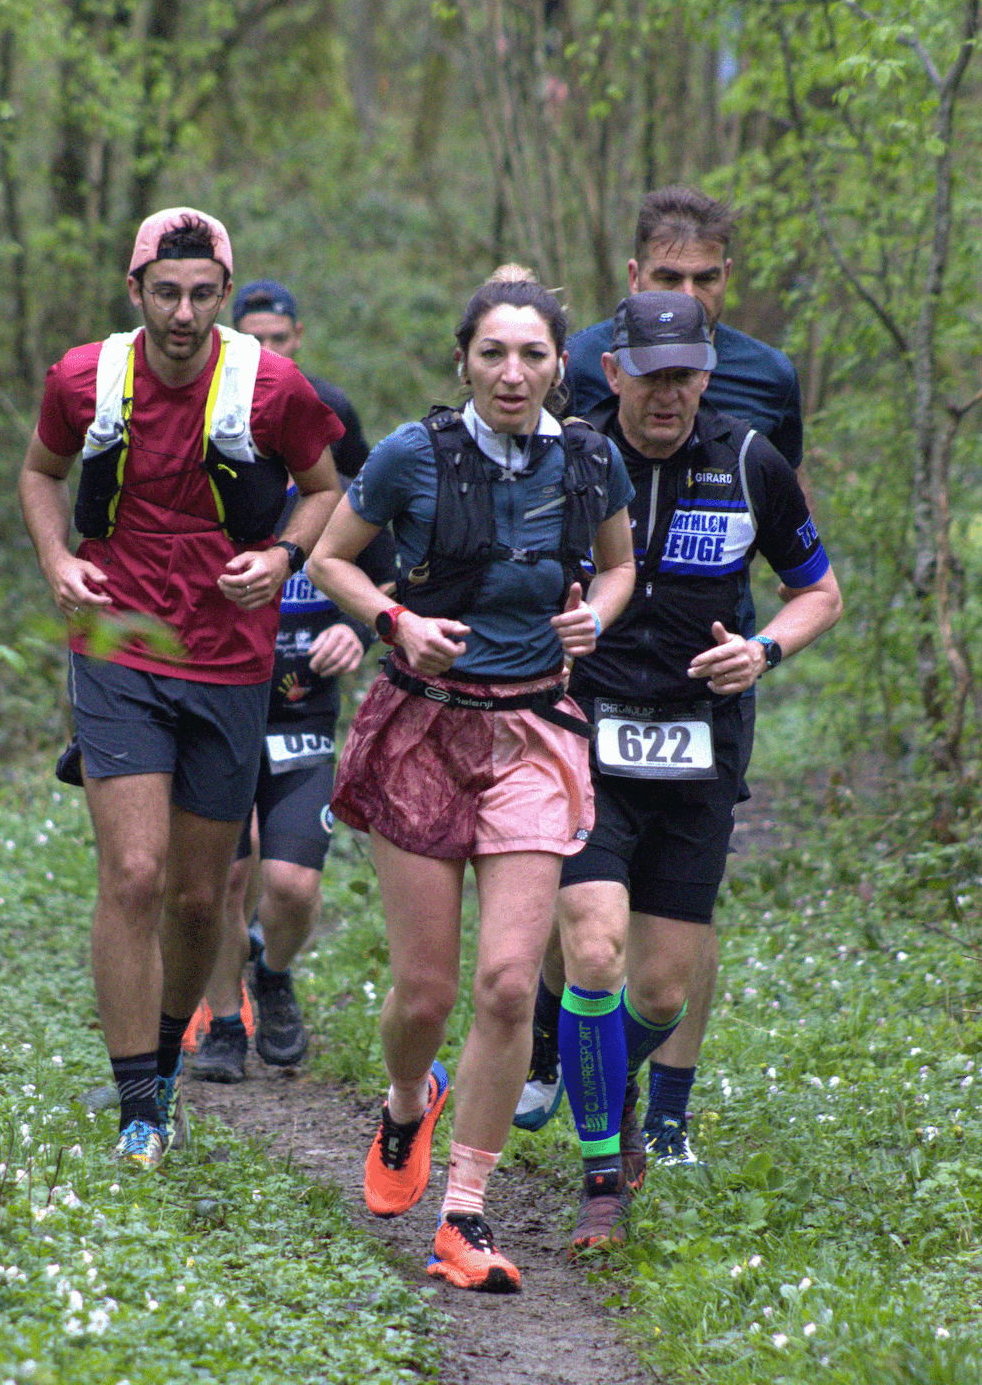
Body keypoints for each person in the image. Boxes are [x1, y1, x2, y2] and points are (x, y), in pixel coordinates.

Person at [307, 276, 636, 1292]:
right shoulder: (413, 455)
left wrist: (597, 619)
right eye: (493, 353)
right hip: (419, 732)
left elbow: (619, 570)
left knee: (503, 985)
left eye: (531, 355)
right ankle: (407, 1100)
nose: (511, 373)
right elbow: (328, 561)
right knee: (425, 992)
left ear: (557, 367)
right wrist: (393, 622)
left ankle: (465, 1214)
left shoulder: (587, 459)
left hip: (535, 732)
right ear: (463, 361)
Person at [18, 207, 342, 1169]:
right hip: (117, 646)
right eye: (167, 293)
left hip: (229, 658)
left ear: (225, 298)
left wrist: (283, 555)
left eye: (205, 295)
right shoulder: (86, 378)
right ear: (136, 292)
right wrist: (56, 562)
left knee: (202, 899)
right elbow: (42, 474)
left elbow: (327, 490)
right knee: (133, 875)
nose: (185, 314)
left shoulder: (271, 386)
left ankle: (164, 1064)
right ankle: (135, 1110)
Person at [518, 184, 807, 1164]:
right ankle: (550, 1057)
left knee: (668, 947)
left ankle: (654, 1104)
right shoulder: (574, 386)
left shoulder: (763, 390)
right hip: (587, 686)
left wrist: (754, 649)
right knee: (588, 929)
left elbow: (781, 533)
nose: (669, 388)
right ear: (631, 282)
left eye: (706, 277)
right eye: (669, 276)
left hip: (704, 691)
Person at [553, 291, 841, 1250]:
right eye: (649, 373)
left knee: (662, 993)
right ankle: (602, 1176)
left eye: (684, 374)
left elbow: (820, 593)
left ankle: (591, 1065)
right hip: (585, 730)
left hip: (700, 743)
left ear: (707, 377)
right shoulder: (571, 457)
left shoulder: (753, 463)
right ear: (613, 372)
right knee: (594, 949)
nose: (666, 394)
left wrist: (762, 649)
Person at [186, 481, 395, 1080]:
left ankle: (272, 975)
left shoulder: (336, 498)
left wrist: (358, 630)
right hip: (219, 715)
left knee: (293, 885)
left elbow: (394, 582)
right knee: (227, 878)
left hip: (302, 718)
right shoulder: (207, 487)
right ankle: (225, 1022)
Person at [232, 279, 370, 478]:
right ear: (233, 338)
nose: (267, 352)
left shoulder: (330, 405)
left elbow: (362, 489)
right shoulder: (213, 403)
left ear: (298, 335)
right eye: (254, 340)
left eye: (279, 338)